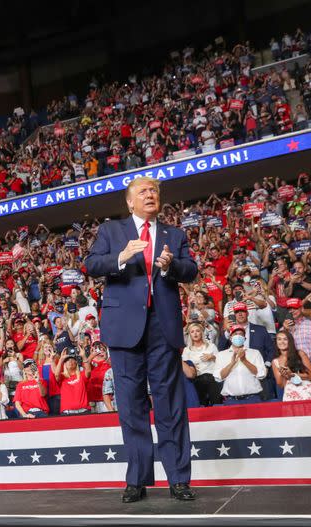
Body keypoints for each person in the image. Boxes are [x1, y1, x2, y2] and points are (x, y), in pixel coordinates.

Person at [84, 177, 198, 502]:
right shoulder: (111, 231)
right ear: (130, 202)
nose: (150, 195)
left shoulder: (174, 234)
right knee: (131, 406)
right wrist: (120, 257)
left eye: (154, 191)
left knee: (170, 404)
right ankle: (137, 479)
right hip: (124, 328)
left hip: (164, 325)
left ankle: (178, 478)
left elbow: (191, 270)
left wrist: (171, 265)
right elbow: (91, 264)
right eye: (143, 192)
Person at [213, 325, 267, 405]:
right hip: (231, 401)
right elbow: (219, 377)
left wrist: (244, 360)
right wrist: (232, 363)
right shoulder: (221, 355)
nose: (238, 336)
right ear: (230, 337)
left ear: (245, 338)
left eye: (241, 334)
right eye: (235, 334)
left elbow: (261, 374)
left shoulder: (255, 353)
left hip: (253, 399)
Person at [182, 322, 221, 406]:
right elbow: (184, 366)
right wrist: (191, 366)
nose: (195, 333)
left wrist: (213, 357)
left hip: (212, 378)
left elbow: (221, 363)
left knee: (216, 401)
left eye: (197, 331)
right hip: (196, 379)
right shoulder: (187, 350)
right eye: (192, 332)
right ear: (190, 335)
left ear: (202, 333)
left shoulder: (211, 346)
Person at [272, 330, 311, 401]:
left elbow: (310, 376)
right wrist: (283, 375)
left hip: (305, 392)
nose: (282, 342)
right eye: (279, 339)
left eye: (285, 339)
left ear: (290, 341)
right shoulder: (275, 361)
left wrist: (292, 374)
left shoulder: (300, 354)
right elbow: (281, 385)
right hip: (290, 394)